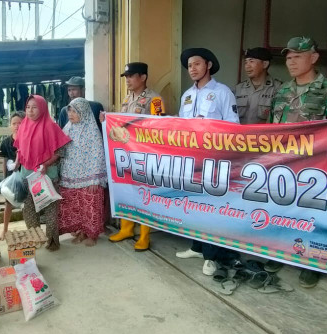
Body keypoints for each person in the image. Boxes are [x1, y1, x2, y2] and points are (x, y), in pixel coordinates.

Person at [267, 37, 327, 288]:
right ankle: (280, 252)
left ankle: (311, 262)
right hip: (284, 164)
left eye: (297, 57)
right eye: (288, 57)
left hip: (316, 167)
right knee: (282, 210)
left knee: (312, 215)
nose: (291, 62)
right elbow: (271, 127)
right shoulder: (282, 90)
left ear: (313, 58)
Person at [174, 48, 239, 277]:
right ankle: (197, 247)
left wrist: (209, 127)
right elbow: (180, 125)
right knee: (193, 203)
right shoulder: (187, 95)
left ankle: (211, 257)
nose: (192, 69)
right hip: (191, 160)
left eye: (197, 64)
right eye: (189, 65)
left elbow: (234, 126)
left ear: (208, 65)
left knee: (210, 207)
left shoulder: (222, 92)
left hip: (214, 160)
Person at [108, 62, 165, 251]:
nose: (128, 80)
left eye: (131, 76)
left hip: (144, 154)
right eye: (126, 77)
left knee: (144, 193)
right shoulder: (127, 98)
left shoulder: (154, 99)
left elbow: (159, 125)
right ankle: (127, 229)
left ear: (143, 77)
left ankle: (144, 235)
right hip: (126, 153)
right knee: (127, 191)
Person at [15, 95, 71, 251]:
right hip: (27, 174)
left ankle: (52, 241)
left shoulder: (51, 127)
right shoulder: (23, 126)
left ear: (43, 108)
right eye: (28, 107)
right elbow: (19, 148)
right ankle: (34, 239)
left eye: (35, 107)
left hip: (47, 175)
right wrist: (16, 162)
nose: (30, 111)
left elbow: (60, 151)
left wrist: (45, 164)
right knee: (29, 209)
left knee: (51, 210)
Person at [59, 97, 108, 246]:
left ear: (84, 113)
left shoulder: (92, 131)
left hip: (89, 176)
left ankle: (92, 235)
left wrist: (95, 179)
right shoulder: (67, 128)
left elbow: (98, 156)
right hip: (71, 175)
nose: (71, 114)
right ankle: (81, 231)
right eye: (70, 111)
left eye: (75, 111)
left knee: (90, 204)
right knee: (75, 204)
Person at [235, 47, 282, 124]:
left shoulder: (278, 88)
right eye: (246, 62)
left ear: (265, 64)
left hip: (264, 135)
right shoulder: (238, 89)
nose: (247, 66)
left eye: (251, 61)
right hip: (241, 135)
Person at [0, 110, 25, 240]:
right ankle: (4, 230)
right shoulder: (5, 142)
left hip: (25, 176)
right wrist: (4, 179)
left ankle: (30, 230)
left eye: (20, 123)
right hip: (11, 178)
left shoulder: (28, 140)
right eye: (14, 123)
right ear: (10, 125)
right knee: (8, 203)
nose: (17, 126)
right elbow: (4, 162)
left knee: (27, 203)